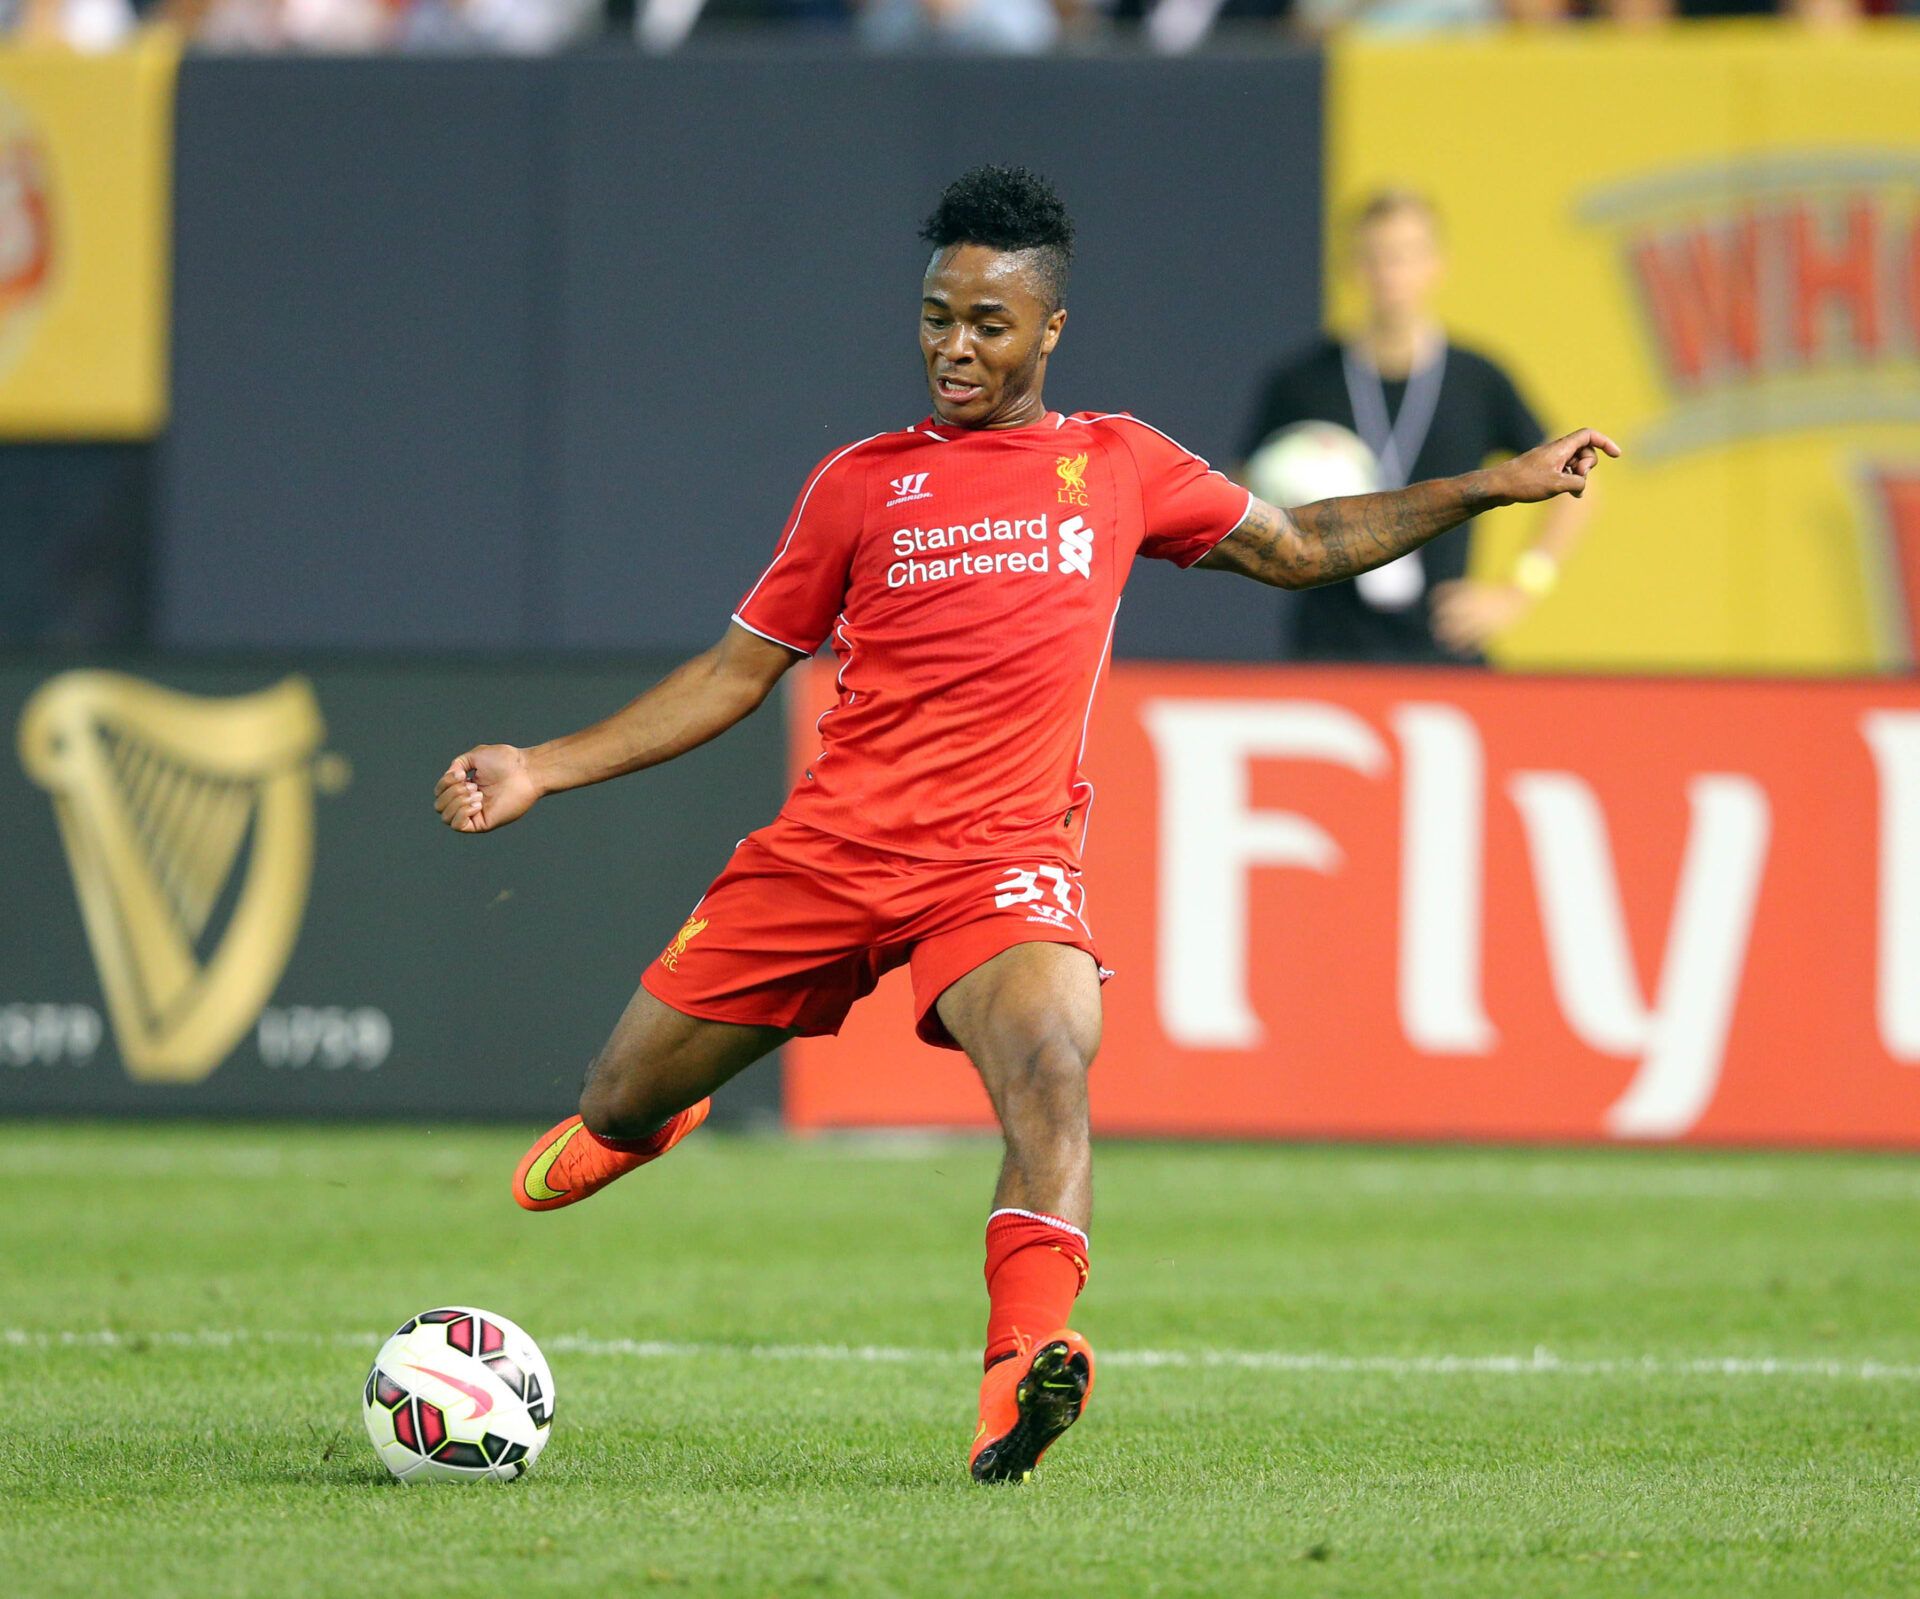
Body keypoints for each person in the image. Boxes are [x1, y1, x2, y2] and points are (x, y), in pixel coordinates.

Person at [433, 164, 1616, 1483]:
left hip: (1001, 864)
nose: (954, 345)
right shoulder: (862, 485)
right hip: (831, 854)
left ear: (1050, 329)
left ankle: (1021, 1372)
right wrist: (543, 764)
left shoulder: (1116, 463)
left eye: (988, 323)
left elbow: (1301, 542)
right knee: (614, 1093)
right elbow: (733, 671)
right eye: (937, 315)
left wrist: (1490, 489)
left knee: (1054, 1064)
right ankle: (656, 1113)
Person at [1240, 189, 1595, 664]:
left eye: (1405, 256)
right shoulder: (1301, 382)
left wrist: (1518, 590)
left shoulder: (1477, 379)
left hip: (1444, 647)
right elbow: (1239, 493)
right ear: (1352, 266)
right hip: (1329, 647)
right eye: (1375, 257)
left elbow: (1578, 482)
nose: (1389, 273)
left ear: (1436, 264)